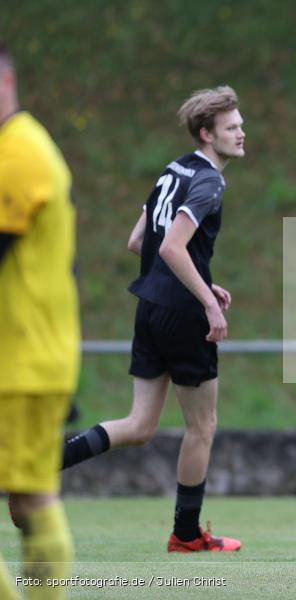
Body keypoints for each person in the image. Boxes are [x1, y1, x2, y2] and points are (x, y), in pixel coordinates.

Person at [60, 86, 245, 553]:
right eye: (231, 128)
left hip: (150, 309)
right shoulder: (209, 180)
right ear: (207, 134)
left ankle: (46, 462)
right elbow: (167, 246)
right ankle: (186, 535)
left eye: (240, 124)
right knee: (202, 427)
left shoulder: (174, 169)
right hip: (183, 318)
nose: (242, 133)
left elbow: (137, 240)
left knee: (140, 424)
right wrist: (204, 300)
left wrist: (201, 279)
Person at [0, 41, 78, 598]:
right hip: (21, 357)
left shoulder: (19, 153)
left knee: (32, 498)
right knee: (29, 498)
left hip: (21, 362)